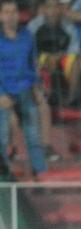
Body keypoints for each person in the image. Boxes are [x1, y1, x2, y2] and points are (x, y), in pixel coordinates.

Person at [0, 0, 48, 176]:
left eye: (14, 12)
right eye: (6, 12)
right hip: (4, 91)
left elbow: (32, 64)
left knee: (34, 135)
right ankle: (3, 175)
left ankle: (40, 173)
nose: (11, 16)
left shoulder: (28, 35)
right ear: (0, 16)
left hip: (26, 88)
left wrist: (37, 89)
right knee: (2, 137)